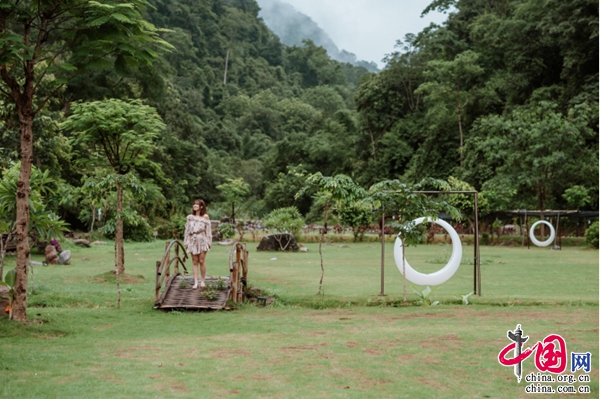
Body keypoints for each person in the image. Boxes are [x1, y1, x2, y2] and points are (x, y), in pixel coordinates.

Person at [183, 199, 212, 288]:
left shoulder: (205, 217)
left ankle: (202, 281)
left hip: (202, 240)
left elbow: (208, 230)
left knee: (201, 261)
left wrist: (209, 241)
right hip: (193, 240)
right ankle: (195, 282)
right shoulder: (190, 217)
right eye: (194, 204)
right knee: (194, 261)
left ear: (201, 207)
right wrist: (186, 241)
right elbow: (187, 230)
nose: (195, 205)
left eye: (197, 204)